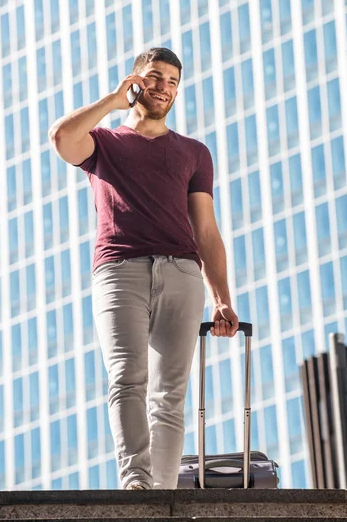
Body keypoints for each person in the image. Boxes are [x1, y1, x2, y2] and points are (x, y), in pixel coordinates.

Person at [48, 47, 239, 490]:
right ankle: (137, 483)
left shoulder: (194, 152)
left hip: (183, 274)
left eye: (172, 81)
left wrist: (222, 298)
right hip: (119, 270)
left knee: (169, 393)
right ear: (134, 80)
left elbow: (206, 230)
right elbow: (61, 137)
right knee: (127, 378)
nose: (163, 88)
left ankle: (164, 493)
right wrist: (112, 102)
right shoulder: (104, 143)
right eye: (154, 77)